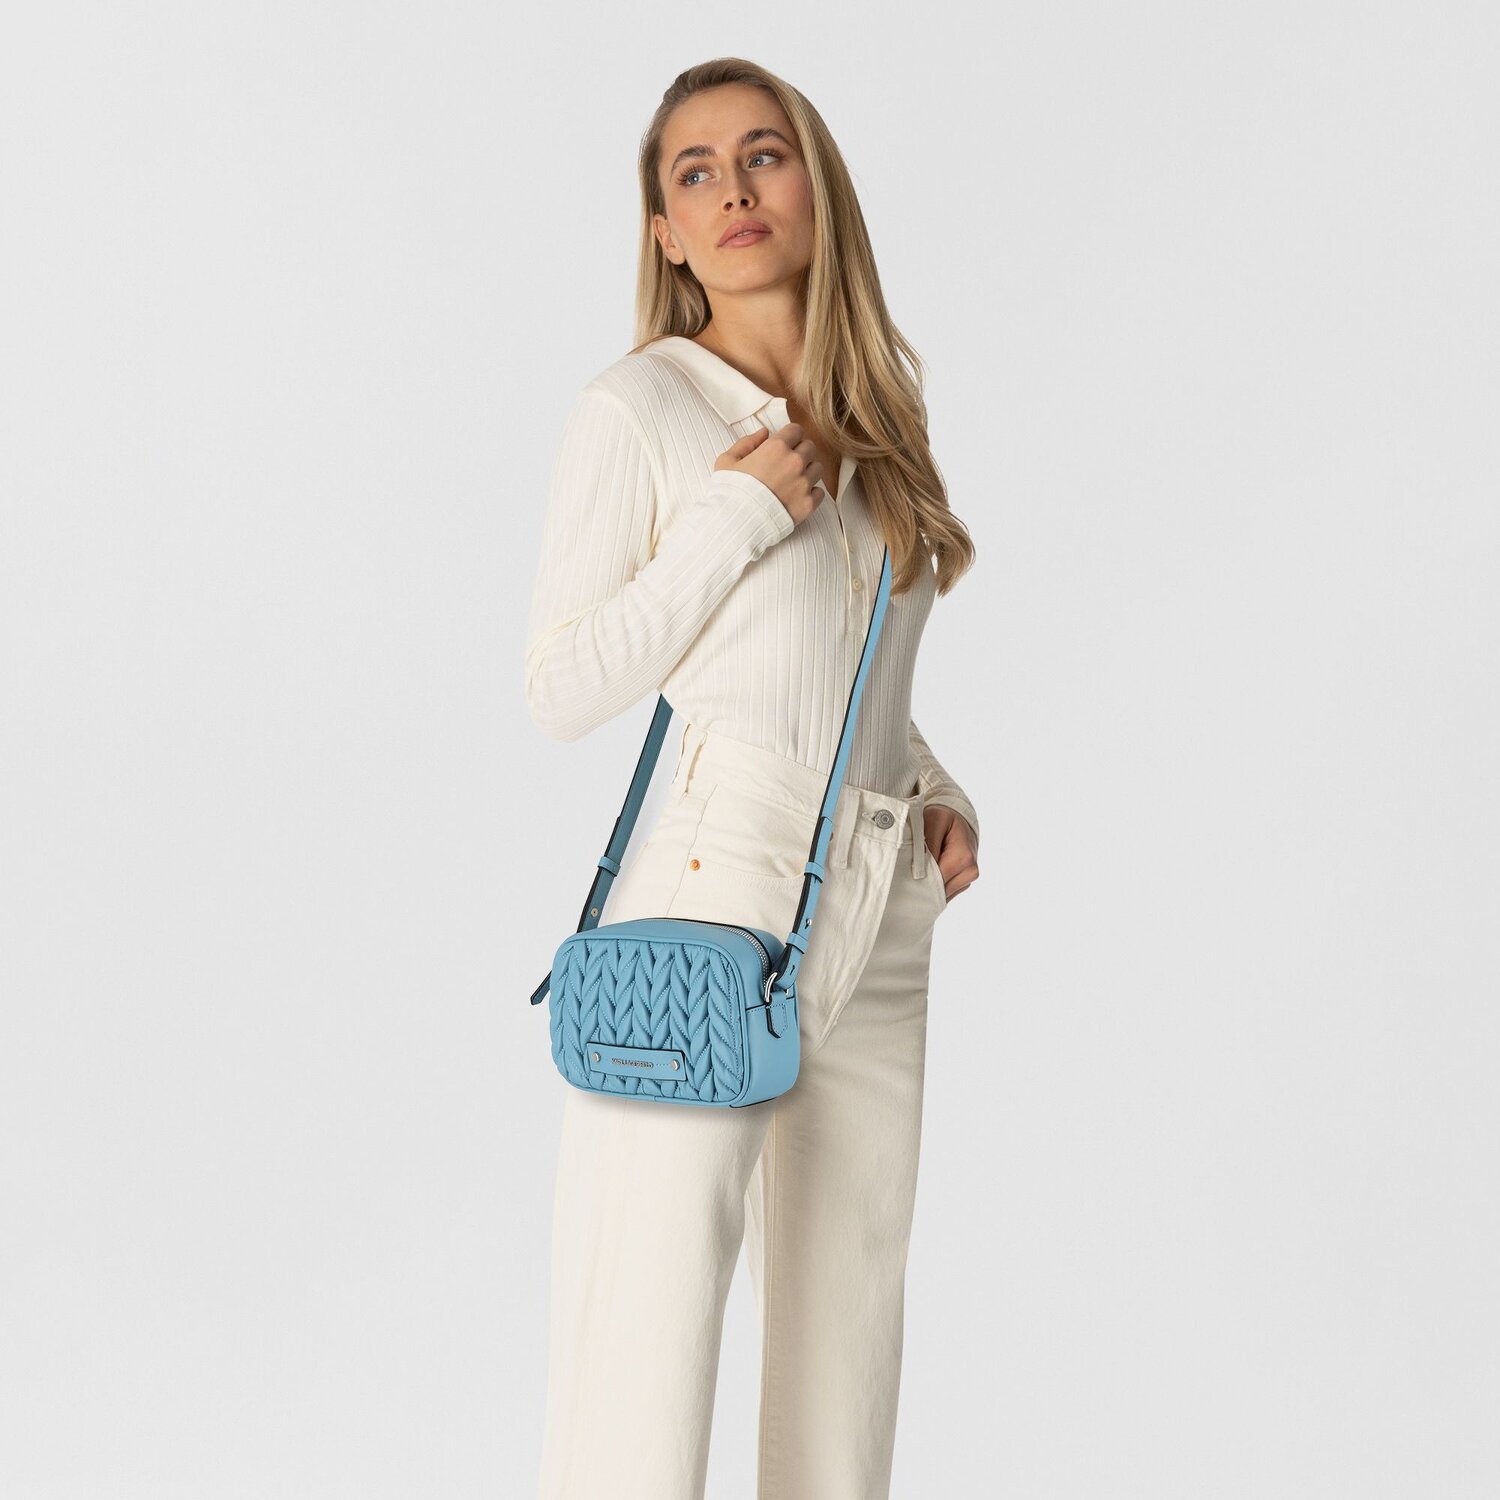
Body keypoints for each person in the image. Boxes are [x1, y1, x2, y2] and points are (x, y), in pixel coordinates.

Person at [525, 56, 982, 1500]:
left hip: (876, 904)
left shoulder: (879, 417)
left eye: (763, 155)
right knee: (642, 1356)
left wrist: (933, 785)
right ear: (664, 232)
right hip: (712, 889)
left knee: (846, 1350)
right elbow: (562, 687)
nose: (733, 189)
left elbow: (839, 669)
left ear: (816, 186)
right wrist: (731, 514)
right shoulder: (640, 410)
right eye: (695, 171)